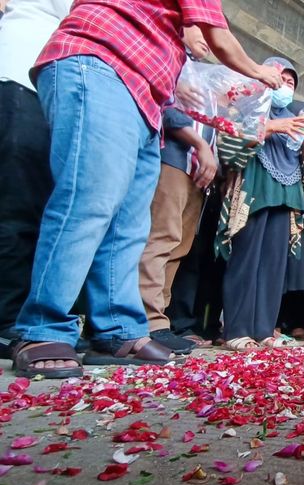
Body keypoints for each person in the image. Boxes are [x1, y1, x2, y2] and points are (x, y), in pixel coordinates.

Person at [12, 0, 283, 378]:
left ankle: (118, 328)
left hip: (146, 96)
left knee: (130, 224)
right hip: (103, 61)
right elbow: (217, 37)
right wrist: (259, 72)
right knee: (89, 201)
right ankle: (44, 327)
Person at [219, 57, 304, 351]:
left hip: (285, 193)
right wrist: (274, 125)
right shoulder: (247, 106)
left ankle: (264, 330)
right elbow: (229, 146)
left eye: (291, 83)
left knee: (274, 265)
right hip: (255, 189)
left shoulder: (293, 117)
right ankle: (236, 329)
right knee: (246, 259)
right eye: (280, 79)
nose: (285, 87)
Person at [0, 0, 74, 360]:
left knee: (38, 206)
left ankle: (17, 315)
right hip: (19, 75)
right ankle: (6, 320)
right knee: (17, 205)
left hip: (51, 85)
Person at [137, 26, 217, 354]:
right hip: (172, 156)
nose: (206, 40)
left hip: (198, 169)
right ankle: (145, 318)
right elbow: (163, 108)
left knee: (179, 246)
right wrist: (200, 144)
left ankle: (160, 318)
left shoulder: (208, 80)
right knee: (161, 238)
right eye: (198, 30)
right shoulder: (169, 60)